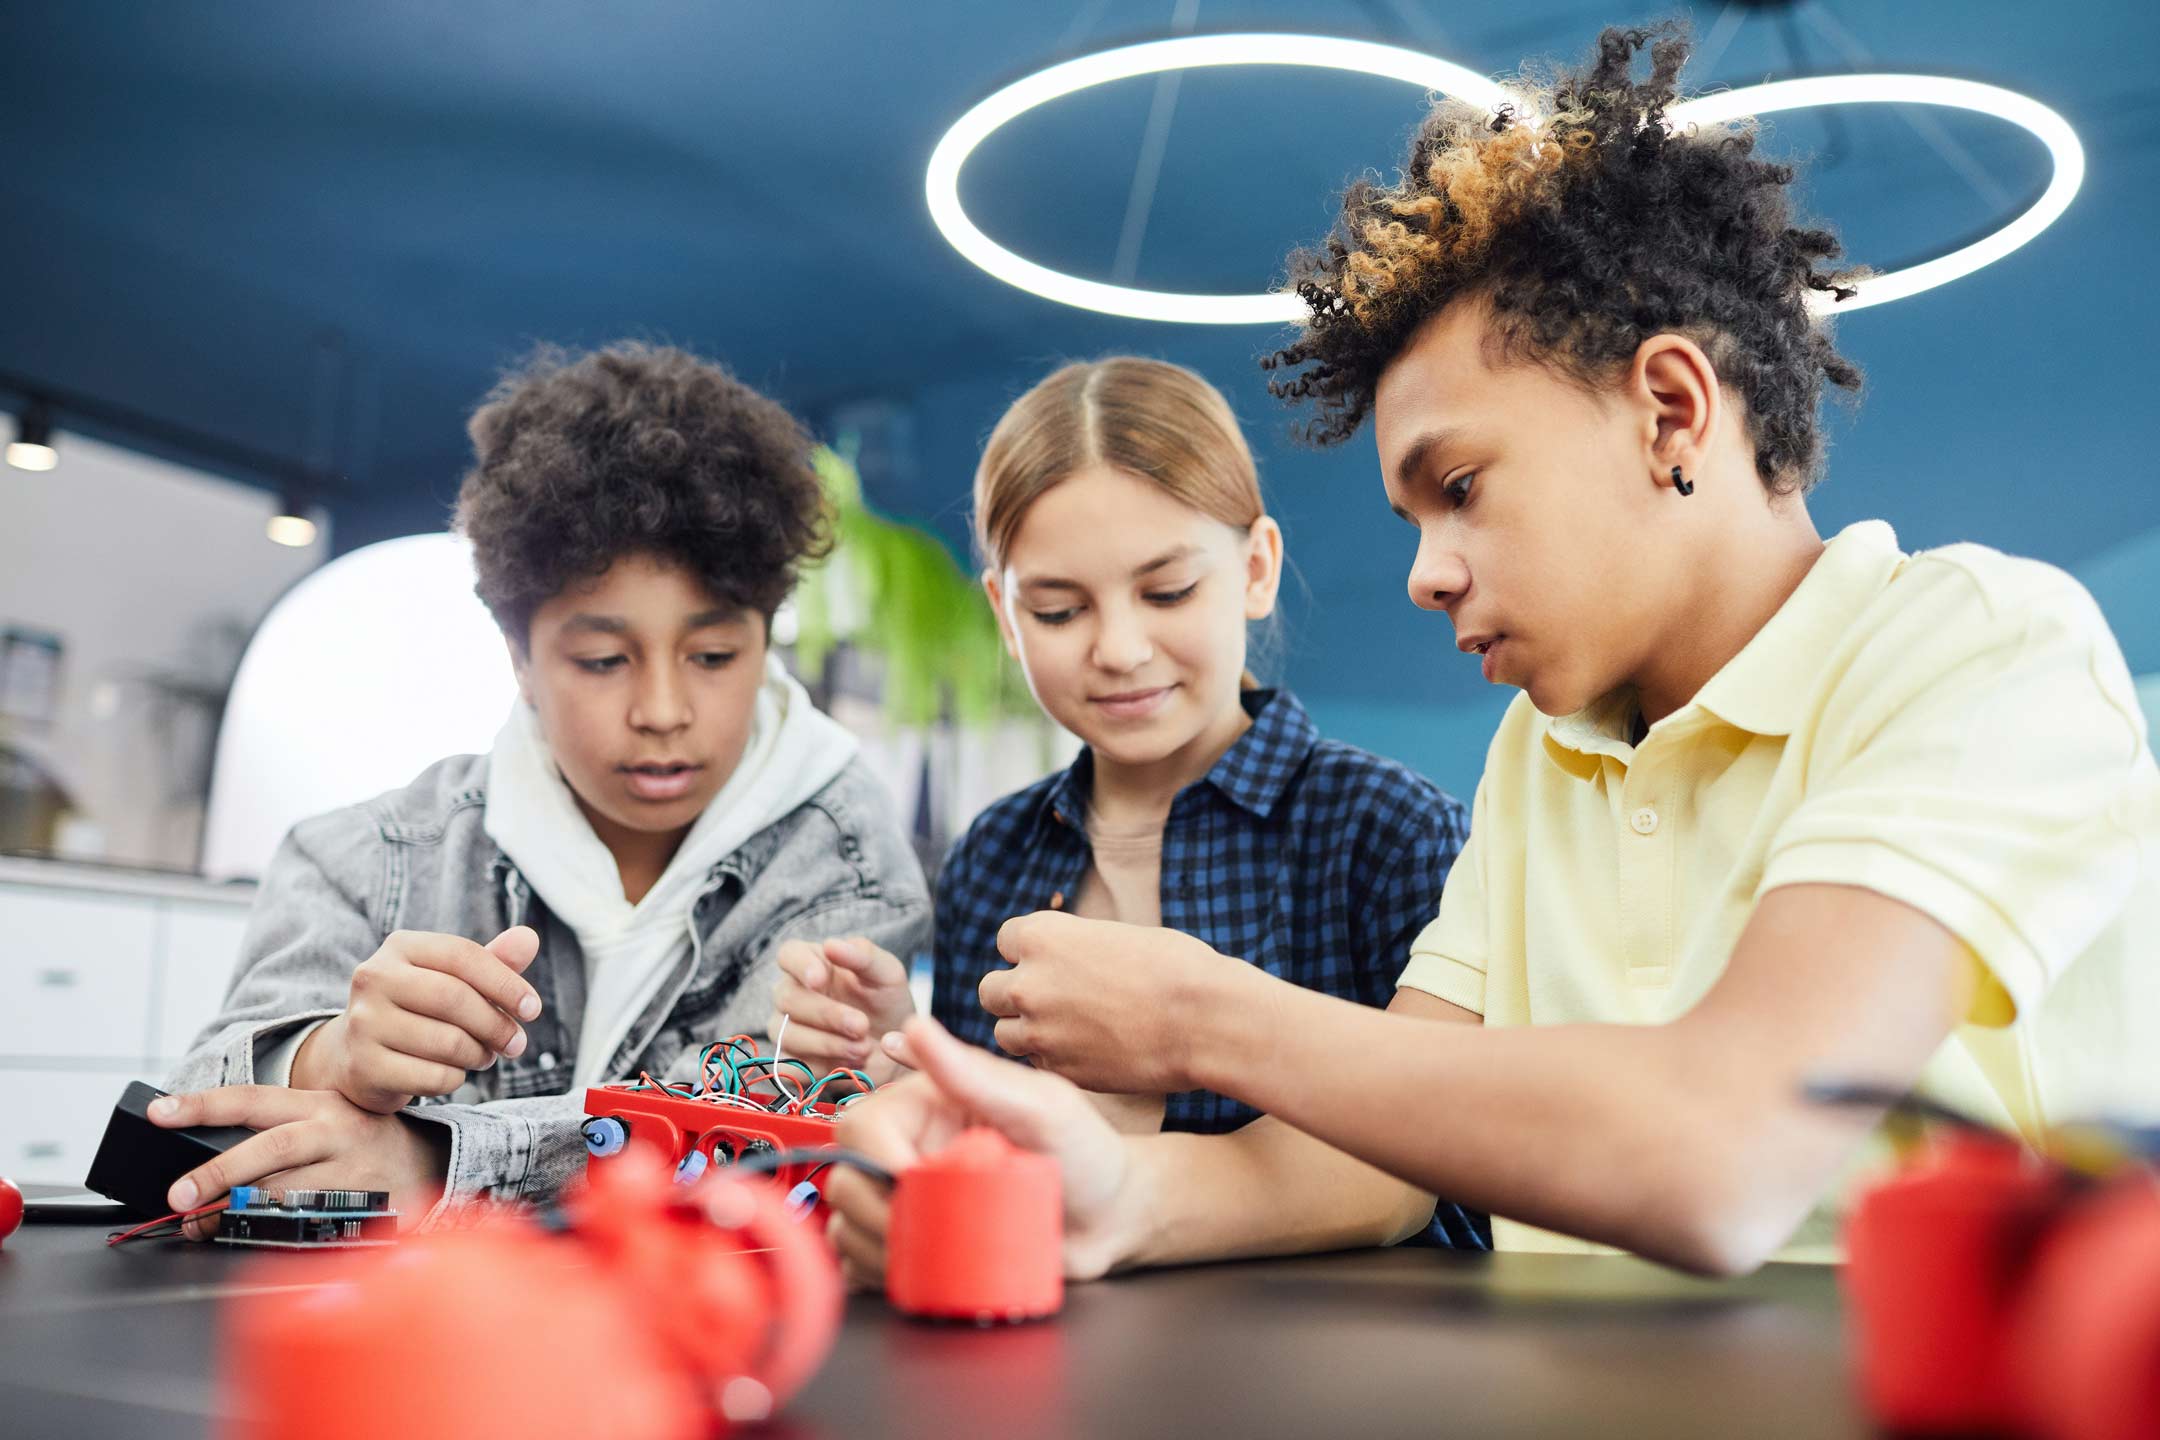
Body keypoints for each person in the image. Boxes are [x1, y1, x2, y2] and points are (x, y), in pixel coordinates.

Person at [823, 25, 2160, 1281]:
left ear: (1671, 412)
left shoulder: (1982, 650)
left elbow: (1722, 1151)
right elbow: (1374, 1162)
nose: (1424, 573)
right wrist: (1115, 1199)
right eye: (1411, 519)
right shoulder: (1546, 749)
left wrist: (1199, 1019)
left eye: (1458, 487)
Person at [155, 342, 930, 1229]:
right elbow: (188, 1122)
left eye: (714, 656)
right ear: (520, 658)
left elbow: (745, 1149)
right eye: (603, 660)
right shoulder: (364, 860)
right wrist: (325, 1058)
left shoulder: (842, 858)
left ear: (765, 641)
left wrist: (435, 1160)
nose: (664, 709)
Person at [771, 356, 1485, 1247]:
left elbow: (1440, 1162)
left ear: (1257, 568)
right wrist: (903, 1054)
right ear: (1003, 614)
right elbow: (990, 1160)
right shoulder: (996, 852)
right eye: (1060, 611)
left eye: (1168, 591)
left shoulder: (1390, 830)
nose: (1119, 647)